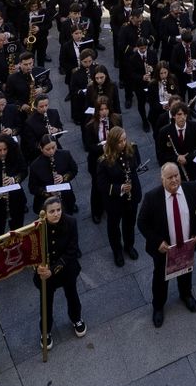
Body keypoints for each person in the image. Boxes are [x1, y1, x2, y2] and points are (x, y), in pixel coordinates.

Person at [137, 162, 196, 328]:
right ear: (162, 180)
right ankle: (158, 306)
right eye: (170, 177)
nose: (174, 180)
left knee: (186, 270)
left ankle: (186, 295)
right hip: (164, 250)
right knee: (161, 278)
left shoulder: (192, 188)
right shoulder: (152, 197)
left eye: (176, 175)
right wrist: (157, 242)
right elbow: (142, 222)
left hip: (187, 245)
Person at [33, 197, 85, 350]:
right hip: (45, 275)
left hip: (66, 269)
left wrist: (53, 269)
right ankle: (45, 330)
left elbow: (72, 250)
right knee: (46, 303)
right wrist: (38, 268)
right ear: (45, 213)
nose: (56, 214)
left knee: (72, 295)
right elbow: (32, 252)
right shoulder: (37, 228)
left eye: (58, 210)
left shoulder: (70, 222)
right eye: (52, 211)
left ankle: (76, 319)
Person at [96, 126, 142, 267]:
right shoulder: (104, 161)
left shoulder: (132, 149)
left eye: (124, 140)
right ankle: (117, 251)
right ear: (112, 143)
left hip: (132, 196)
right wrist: (120, 188)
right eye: (120, 141)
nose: (123, 143)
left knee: (130, 223)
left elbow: (136, 165)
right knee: (114, 227)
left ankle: (129, 246)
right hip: (114, 201)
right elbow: (102, 185)